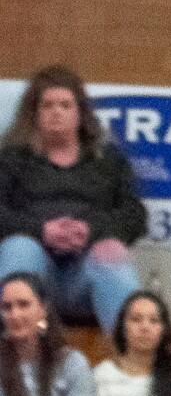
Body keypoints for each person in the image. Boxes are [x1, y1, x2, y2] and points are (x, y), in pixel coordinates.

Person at [0, 66, 143, 331]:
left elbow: (135, 215)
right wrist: (41, 231)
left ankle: (134, 365)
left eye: (65, 105)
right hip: (32, 272)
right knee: (19, 247)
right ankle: (9, 359)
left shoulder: (108, 161)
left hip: (86, 276)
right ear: (35, 113)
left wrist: (91, 231)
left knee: (111, 250)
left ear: (80, 113)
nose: (56, 112)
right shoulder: (11, 159)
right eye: (48, 105)